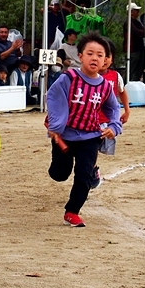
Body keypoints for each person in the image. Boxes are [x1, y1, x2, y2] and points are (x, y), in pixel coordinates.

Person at [46, 32, 122, 228]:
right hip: (64, 135)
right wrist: (56, 125)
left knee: (83, 175)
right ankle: (63, 169)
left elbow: (113, 108)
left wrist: (114, 126)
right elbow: (53, 97)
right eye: (90, 53)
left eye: (100, 55)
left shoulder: (105, 86)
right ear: (80, 56)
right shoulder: (68, 78)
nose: (94, 58)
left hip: (90, 136)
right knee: (59, 174)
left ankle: (72, 211)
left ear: (105, 60)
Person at [91, 38, 130, 188]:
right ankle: (92, 169)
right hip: (91, 120)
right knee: (91, 148)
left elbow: (122, 91)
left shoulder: (115, 76)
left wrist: (127, 110)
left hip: (107, 122)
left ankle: (92, 168)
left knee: (97, 148)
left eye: (108, 56)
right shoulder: (88, 75)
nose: (105, 59)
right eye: (101, 55)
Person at [123, 2, 145, 82]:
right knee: (131, 68)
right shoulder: (128, 22)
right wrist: (142, 32)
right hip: (132, 49)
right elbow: (136, 32)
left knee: (138, 68)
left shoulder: (136, 22)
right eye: (136, 10)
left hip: (138, 48)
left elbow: (142, 31)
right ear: (131, 12)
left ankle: (134, 82)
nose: (138, 12)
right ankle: (126, 84)